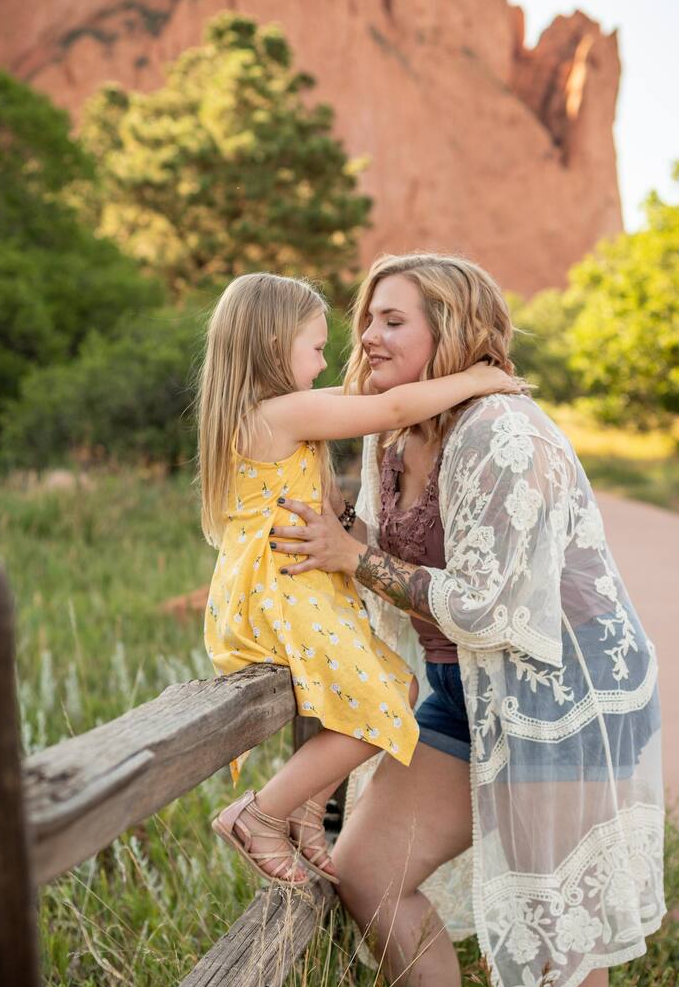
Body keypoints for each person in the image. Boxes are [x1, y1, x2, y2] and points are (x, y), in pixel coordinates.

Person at [268, 253, 666, 987]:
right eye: (366, 318)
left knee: (558, 915)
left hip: (561, 686)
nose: (368, 335)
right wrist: (326, 537)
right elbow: (387, 553)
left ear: (451, 330)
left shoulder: (502, 434)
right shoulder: (390, 432)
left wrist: (354, 557)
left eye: (393, 321)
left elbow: (491, 604)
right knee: (368, 869)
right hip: (461, 684)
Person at [199, 271, 521, 887]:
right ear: (274, 345)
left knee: (395, 692)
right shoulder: (281, 410)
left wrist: (343, 519)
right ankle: (259, 813)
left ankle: (307, 809)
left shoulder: (266, 416)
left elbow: (323, 500)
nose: (325, 363)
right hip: (285, 589)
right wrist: (481, 379)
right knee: (380, 708)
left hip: (294, 583)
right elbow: (391, 408)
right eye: (316, 348)